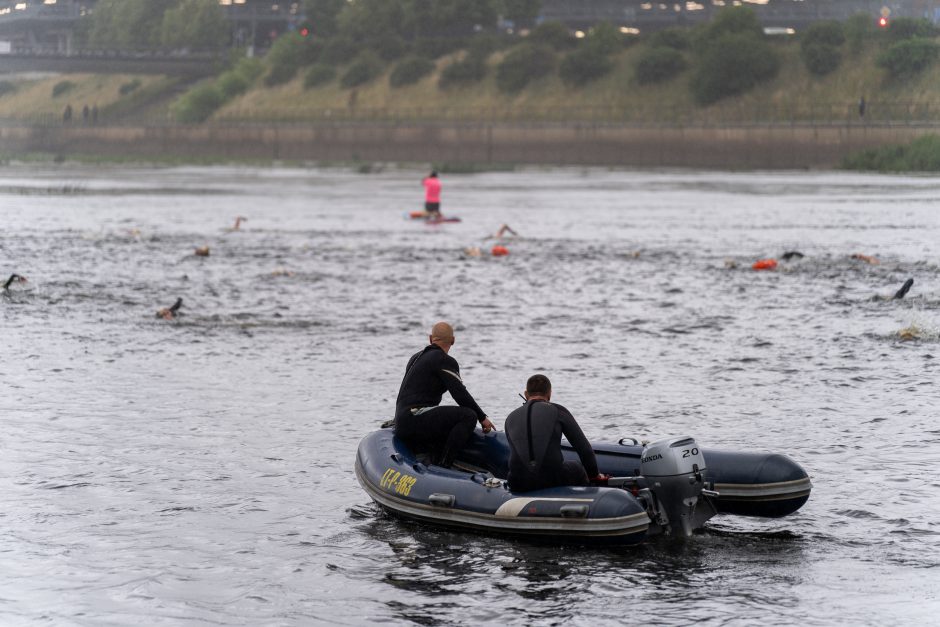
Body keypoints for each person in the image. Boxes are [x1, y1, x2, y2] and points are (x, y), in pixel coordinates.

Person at [394, 321, 495, 468]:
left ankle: (433, 455)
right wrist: (482, 417)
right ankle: (445, 464)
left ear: (430, 339)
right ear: (453, 341)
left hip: (402, 420)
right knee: (468, 415)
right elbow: (460, 394)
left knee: (445, 417)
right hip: (414, 419)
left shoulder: (415, 357)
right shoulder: (444, 360)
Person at [504, 374, 599, 492]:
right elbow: (585, 451)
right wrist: (595, 476)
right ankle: (591, 498)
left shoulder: (510, 417)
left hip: (517, 481)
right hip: (551, 479)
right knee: (576, 467)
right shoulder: (558, 410)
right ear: (549, 394)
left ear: (526, 394)